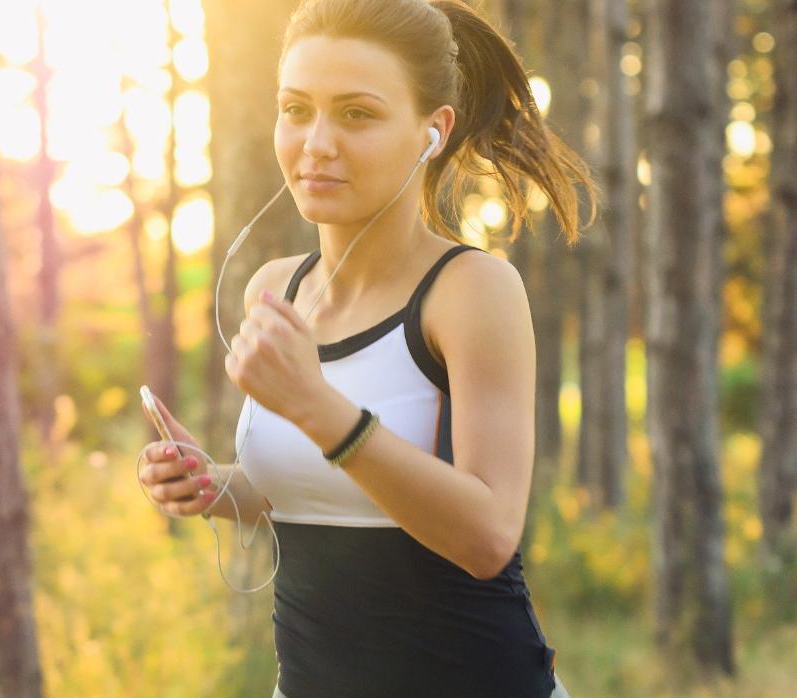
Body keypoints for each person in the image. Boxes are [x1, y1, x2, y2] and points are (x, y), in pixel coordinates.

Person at [138, 0, 597, 695]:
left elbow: (488, 536)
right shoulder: (274, 289)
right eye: (296, 109)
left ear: (432, 131)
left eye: (356, 114)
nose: (316, 142)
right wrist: (214, 486)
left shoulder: (472, 291)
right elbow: (316, 494)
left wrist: (320, 409)